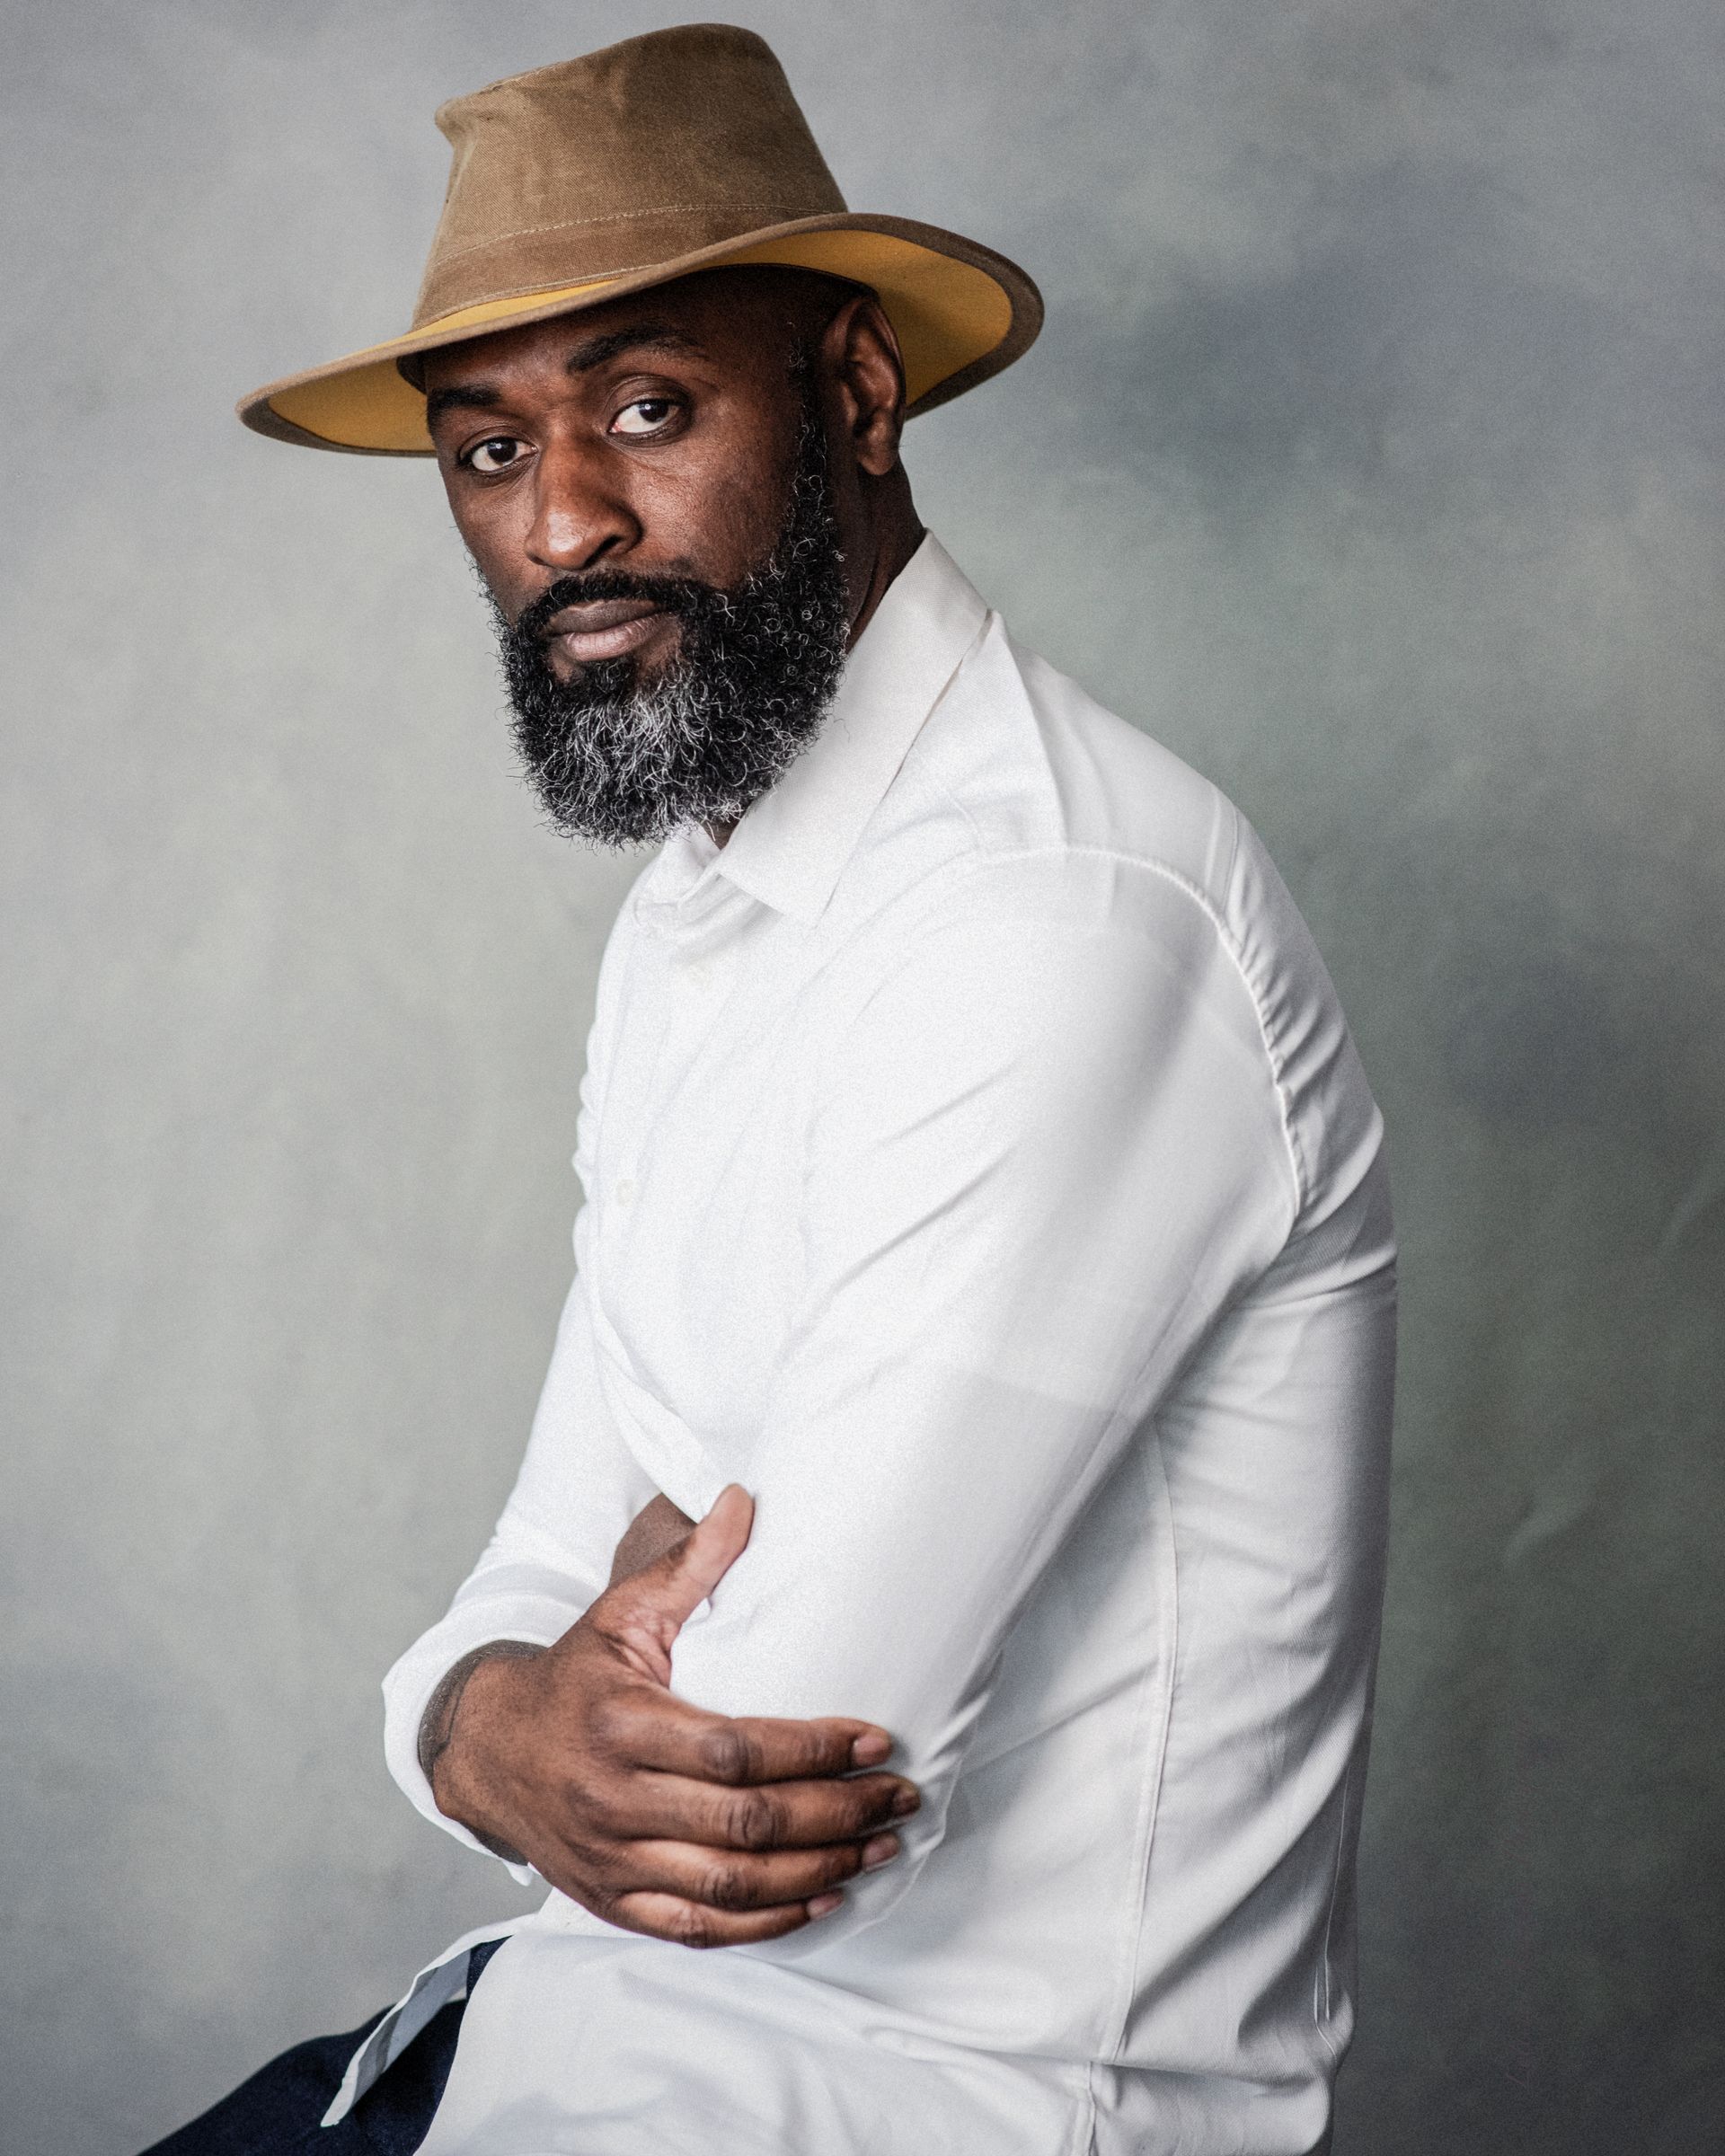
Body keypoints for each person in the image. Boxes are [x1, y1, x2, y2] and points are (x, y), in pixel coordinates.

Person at [151, 22, 1395, 2155]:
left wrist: (589, 1673)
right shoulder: (711, 912)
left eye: (649, 407)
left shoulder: (1055, 917)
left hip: (908, 2110)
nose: (561, 520)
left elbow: (755, 1763)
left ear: (854, 389)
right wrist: (479, 1717)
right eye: (483, 451)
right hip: (570, 2041)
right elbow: (538, 1563)